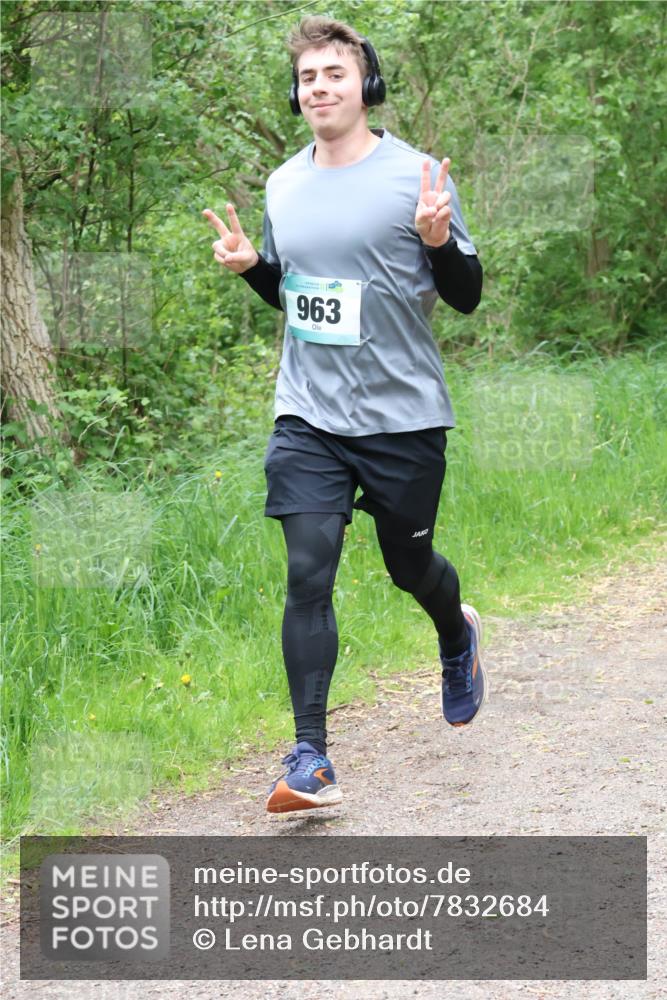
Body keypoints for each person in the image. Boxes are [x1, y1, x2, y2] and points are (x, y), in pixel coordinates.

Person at [203, 15, 487, 815]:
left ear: (365, 83)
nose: (319, 87)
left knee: (409, 567)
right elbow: (296, 300)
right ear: (295, 97)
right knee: (306, 571)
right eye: (306, 78)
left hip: (402, 417)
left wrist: (437, 242)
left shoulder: (417, 176)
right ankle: (310, 758)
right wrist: (255, 268)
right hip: (308, 415)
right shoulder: (282, 185)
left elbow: (464, 296)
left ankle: (454, 630)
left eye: (333, 73)